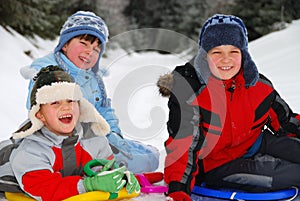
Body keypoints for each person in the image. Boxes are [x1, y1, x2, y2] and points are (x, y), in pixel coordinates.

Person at [157, 14, 300, 201]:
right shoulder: (191, 92)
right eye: (216, 52)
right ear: (204, 55)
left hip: (256, 143)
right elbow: (183, 145)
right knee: (294, 174)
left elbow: (286, 121)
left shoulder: (259, 86)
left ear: (244, 54)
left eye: (234, 51)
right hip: (217, 164)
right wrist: (178, 187)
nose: (226, 60)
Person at [20, 11, 159, 173]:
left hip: (95, 138)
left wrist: (113, 134)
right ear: (64, 44)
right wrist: (99, 141)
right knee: (138, 163)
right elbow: (50, 117)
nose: (90, 52)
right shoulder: (50, 74)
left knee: (150, 155)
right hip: (60, 143)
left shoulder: (93, 78)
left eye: (96, 49)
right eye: (84, 44)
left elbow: (104, 109)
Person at [6, 65, 140, 201]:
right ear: (40, 115)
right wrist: (88, 185)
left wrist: (120, 178)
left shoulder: (93, 137)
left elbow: (104, 170)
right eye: (55, 102)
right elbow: (44, 188)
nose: (66, 107)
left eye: (71, 100)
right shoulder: (30, 150)